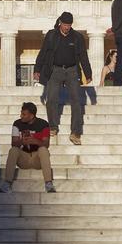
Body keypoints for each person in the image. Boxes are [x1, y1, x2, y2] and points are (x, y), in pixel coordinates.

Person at [35, 11, 92, 146]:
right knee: (52, 99)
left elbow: (83, 56)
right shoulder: (51, 35)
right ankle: (53, 127)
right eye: (65, 24)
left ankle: (75, 133)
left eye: (69, 25)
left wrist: (88, 73)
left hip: (72, 71)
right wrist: (37, 69)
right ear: (60, 23)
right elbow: (43, 52)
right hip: (55, 70)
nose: (67, 27)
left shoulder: (77, 37)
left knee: (77, 101)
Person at [6, 101, 56, 193]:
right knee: (13, 150)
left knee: (43, 150)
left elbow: (46, 144)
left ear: (32, 116)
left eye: (24, 114)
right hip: (24, 158)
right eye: (21, 113)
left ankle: (48, 183)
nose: (21, 116)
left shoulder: (43, 124)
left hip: (37, 159)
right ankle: (7, 183)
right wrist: (22, 141)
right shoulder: (17, 124)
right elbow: (13, 143)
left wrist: (35, 141)